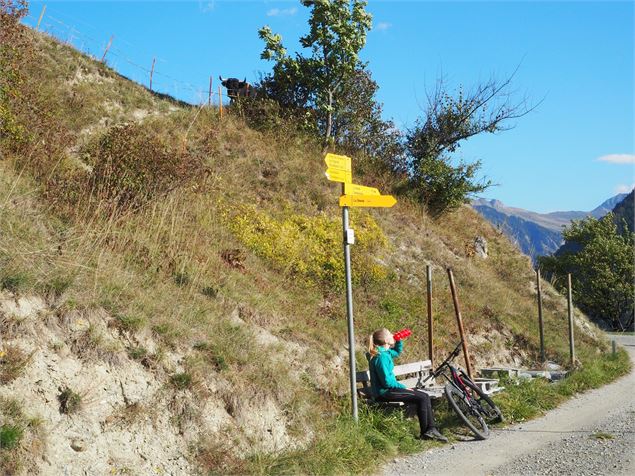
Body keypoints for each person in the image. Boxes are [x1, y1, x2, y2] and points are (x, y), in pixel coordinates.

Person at [368, 328, 448, 442]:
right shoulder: (381, 357)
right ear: (386, 340)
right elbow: (387, 382)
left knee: (423, 396)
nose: (393, 335)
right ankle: (428, 431)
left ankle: (430, 430)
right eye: (390, 334)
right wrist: (404, 387)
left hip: (388, 390)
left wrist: (399, 340)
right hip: (385, 392)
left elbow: (396, 352)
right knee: (422, 397)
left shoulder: (384, 353)